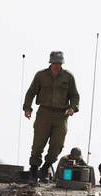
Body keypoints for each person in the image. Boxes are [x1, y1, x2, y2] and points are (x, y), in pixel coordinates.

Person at [23, 51, 80, 183]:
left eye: (59, 63)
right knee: (38, 144)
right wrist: (27, 108)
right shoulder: (41, 75)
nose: (56, 65)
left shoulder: (68, 77)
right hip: (44, 113)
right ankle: (33, 171)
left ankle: (45, 168)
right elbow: (31, 92)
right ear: (50, 62)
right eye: (54, 63)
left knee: (57, 145)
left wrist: (72, 107)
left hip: (61, 115)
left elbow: (74, 95)